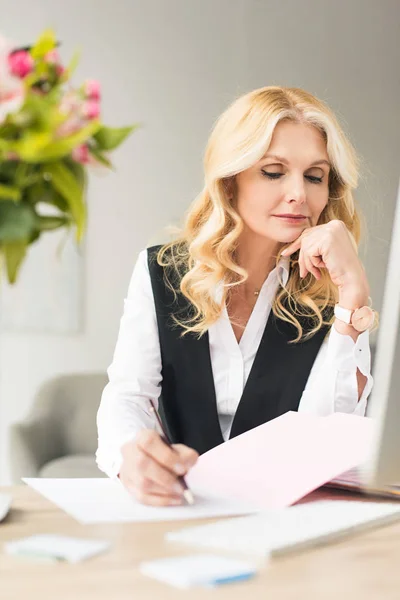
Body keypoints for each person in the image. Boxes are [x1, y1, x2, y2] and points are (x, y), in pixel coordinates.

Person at [96, 85, 375, 507]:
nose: (299, 193)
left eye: (315, 176)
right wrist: (130, 455)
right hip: (180, 511)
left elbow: (326, 437)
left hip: (286, 517)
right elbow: (129, 395)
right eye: (274, 171)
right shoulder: (163, 272)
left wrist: (352, 299)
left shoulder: (329, 288)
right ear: (230, 180)